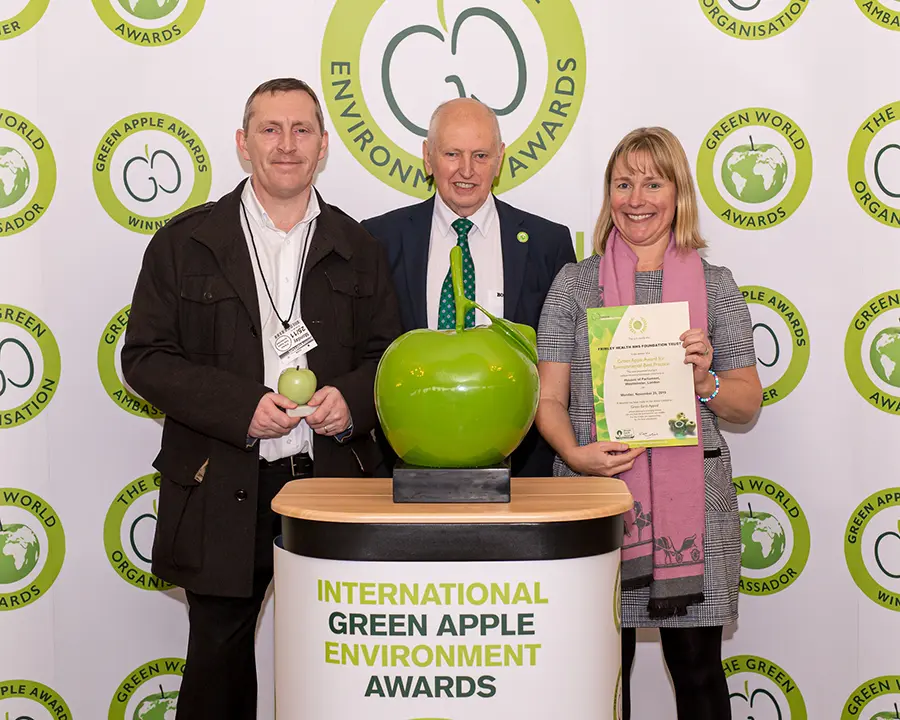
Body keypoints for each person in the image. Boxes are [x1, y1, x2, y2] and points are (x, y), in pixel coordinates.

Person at [121, 78, 402, 720]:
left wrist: (353, 401)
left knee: (346, 666)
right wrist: (238, 405)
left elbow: (388, 355)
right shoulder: (184, 243)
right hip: (222, 481)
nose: (286, 144)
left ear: (324, 145)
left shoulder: (360, 247)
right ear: (243, 144)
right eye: (270, 129)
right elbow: (144, 357)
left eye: (302, 129)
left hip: (330, 482)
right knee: (216, 668)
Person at [535, 127, 761, 719]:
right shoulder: (573, 285)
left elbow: (746, 402)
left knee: (698, 673)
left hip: (695, 508)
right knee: (601, 679)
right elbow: (548, 401)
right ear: (609, 194)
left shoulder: (716, 287)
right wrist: (576, 455)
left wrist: (705, 381)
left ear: (677, 192)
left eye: (652, 182)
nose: (637, 198)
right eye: (623, 183)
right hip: (597, 499)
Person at [362, 97, 576, 477]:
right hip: (407, 468)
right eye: (451, 154)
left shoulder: (548, 244)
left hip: (523, 472)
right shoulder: (378, 239)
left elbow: (565, 362)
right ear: (428, 157)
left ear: (500, 159)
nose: (466, 170)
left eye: (480, 155)